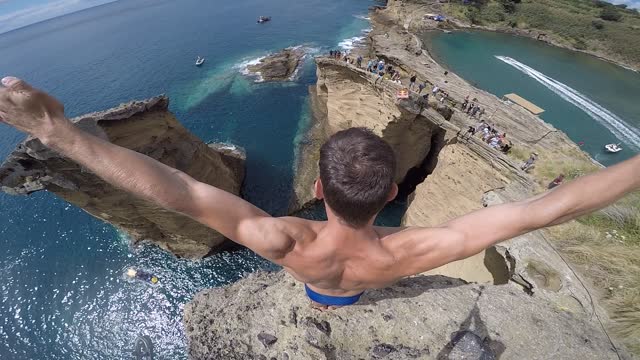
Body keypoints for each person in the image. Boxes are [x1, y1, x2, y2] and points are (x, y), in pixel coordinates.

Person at [1, 77, 639, 309]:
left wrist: (56, 130)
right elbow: (549, 207)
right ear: (391, 189)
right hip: (370, 285)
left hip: (313, 285)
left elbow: (179, 193)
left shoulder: (284, 239)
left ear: (315, 187)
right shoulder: (415, 251)